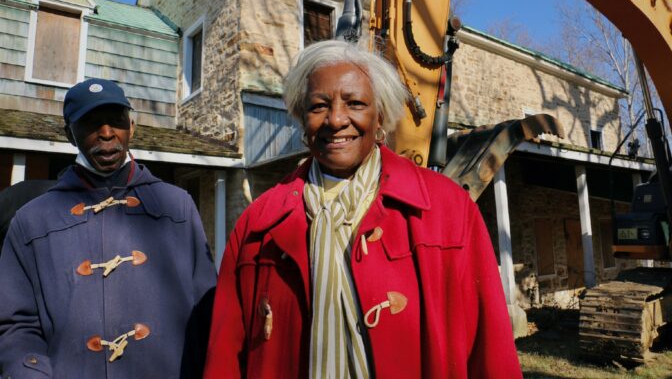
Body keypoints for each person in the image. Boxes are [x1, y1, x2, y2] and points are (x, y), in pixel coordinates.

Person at [204, 40, 522, 378]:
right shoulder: (259, 224)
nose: (336, 119)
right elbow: (225, 354)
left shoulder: (447, 210)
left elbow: (491, 348)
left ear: (380, 114)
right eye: (318, 105)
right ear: (302, 117)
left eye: (355, 103)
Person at [0, 78, 216, 378]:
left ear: (132, 127)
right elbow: (14, 324)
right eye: (90, 123)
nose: (106, 133)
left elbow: (208, 310)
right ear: (70, 135)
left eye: (116, 121)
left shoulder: (176, 207)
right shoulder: (32, 220)